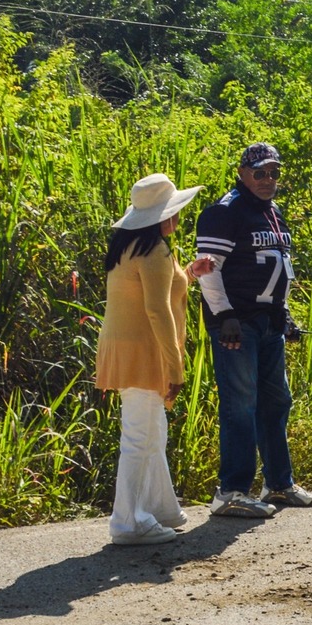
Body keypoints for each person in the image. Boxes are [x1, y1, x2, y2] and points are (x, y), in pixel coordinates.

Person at [194, 142, 312, 518]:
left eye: (274, 172)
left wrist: (285, 313)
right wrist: (225, 314)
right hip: (237, 325)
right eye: (259, 172)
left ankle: (278, 483)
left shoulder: (272, 211)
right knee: (240, 405)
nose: (267, 179)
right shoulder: (224, 211)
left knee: (276, 401)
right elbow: (208, 269)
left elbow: (278, 267)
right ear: (242, 173)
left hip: (269, 322)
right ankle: (231, 491)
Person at [96, 174, 215, 545]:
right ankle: (128, 523)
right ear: (162, 217)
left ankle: (160, 509)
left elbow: (161, 288)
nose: (177, 216)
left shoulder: (133, 245)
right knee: (139, 437)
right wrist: (175, 367)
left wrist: (189, 273)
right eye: (174, 210)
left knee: (152, 431)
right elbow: (157, 310)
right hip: (144, 353)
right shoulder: (153, 251)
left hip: (126, 349)